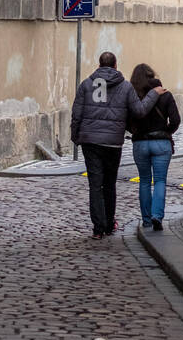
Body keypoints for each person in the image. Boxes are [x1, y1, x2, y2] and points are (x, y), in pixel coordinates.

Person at [71, 52, 166, 240]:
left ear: (99, 65)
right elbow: (139, 111)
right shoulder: (124, 86)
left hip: (90, 141)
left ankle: (98, 228)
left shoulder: (86, 85)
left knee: (95, 185)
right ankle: (108, 224)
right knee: (109, 184)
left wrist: (76, 137)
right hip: (112, 143)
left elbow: (76, 114)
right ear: (115, 65)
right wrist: (153, 94)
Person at [128, 63, 181, 231]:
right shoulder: (165, 94)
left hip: (140, 143)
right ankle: (157, 216)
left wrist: (134, 131)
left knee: (144, 181)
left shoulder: (132, 95)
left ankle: (146, 220)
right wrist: (166, 132)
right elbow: (175, 120)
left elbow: (127, 120)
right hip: (161, 143)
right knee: (159, 181)